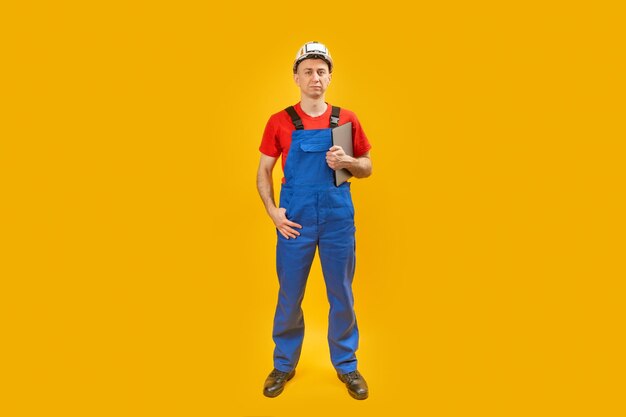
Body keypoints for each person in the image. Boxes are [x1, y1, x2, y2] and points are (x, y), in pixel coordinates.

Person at [256, 41, 373, 400]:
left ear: (330, 77)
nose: (315, 78)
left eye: (321, 71)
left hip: (338, 220)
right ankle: (284, 363)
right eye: (307, 71)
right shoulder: (279, 121)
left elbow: (367, 167)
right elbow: (263, 171)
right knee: (290, 295)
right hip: (297, 222)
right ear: (296, 77)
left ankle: (347, 365)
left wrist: (348, 163)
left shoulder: (346, 119)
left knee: (342, 294)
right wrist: (273, 213)